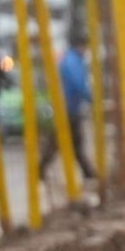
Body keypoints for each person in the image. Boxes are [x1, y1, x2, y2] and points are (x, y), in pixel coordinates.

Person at [40, 34, 96, 181]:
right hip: (68, 108)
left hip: (67, 106)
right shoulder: (73, 61)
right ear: (80, 46)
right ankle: (88, 172)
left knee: (69, 141)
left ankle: (88, 171)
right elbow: (78, 83)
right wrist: (90, 98)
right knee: (65, 141)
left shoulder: (69, 59)